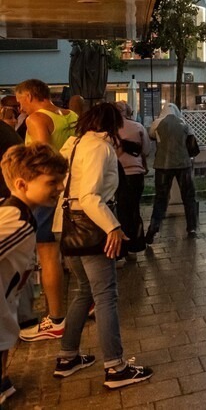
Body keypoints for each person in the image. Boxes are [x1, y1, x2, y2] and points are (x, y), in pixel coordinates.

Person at [55, 103, 154, 388]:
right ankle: (115, 367)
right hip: (91, 225)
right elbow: (90, 196)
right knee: (105, 296)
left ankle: (67, 357)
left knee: (83, 291)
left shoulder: (73, 144)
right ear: (110, 124)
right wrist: (113, 226)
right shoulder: (99, 148)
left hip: (67, 225)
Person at [0, 144, 67, 403]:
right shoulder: (16, 221)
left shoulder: (18, 213)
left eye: (61, 180)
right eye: (52, 182)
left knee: (5, 336)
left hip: (6, 296)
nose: (60, 187)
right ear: (22, 184)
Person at [15, 78, 77, 343]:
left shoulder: (37, 118)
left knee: (48, 255)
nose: (20, 108)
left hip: (46, 193)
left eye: (20, 101)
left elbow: (42, 159)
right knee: (68, 253)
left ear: (30, 96)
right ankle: (83, 303)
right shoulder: (71, 115)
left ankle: (56, 318)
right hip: (69, 190)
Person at [146, 103, 198, 243]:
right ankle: (192, 228)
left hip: (162, 164)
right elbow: (192, 143)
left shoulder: (157, 123)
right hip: (183, 164)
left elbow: (151, 136)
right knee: (188, 197)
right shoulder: (184, 123)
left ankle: (154, 226)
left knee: (161, 198)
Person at [114, 102, 149, 256]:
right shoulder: (138, 127)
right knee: (134, 209)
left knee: (120, 210)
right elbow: (146, 150)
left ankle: (122, 248)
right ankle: (136, 245)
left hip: (117, 174)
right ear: (129, 112)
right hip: (136, 174)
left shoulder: (109, 129)